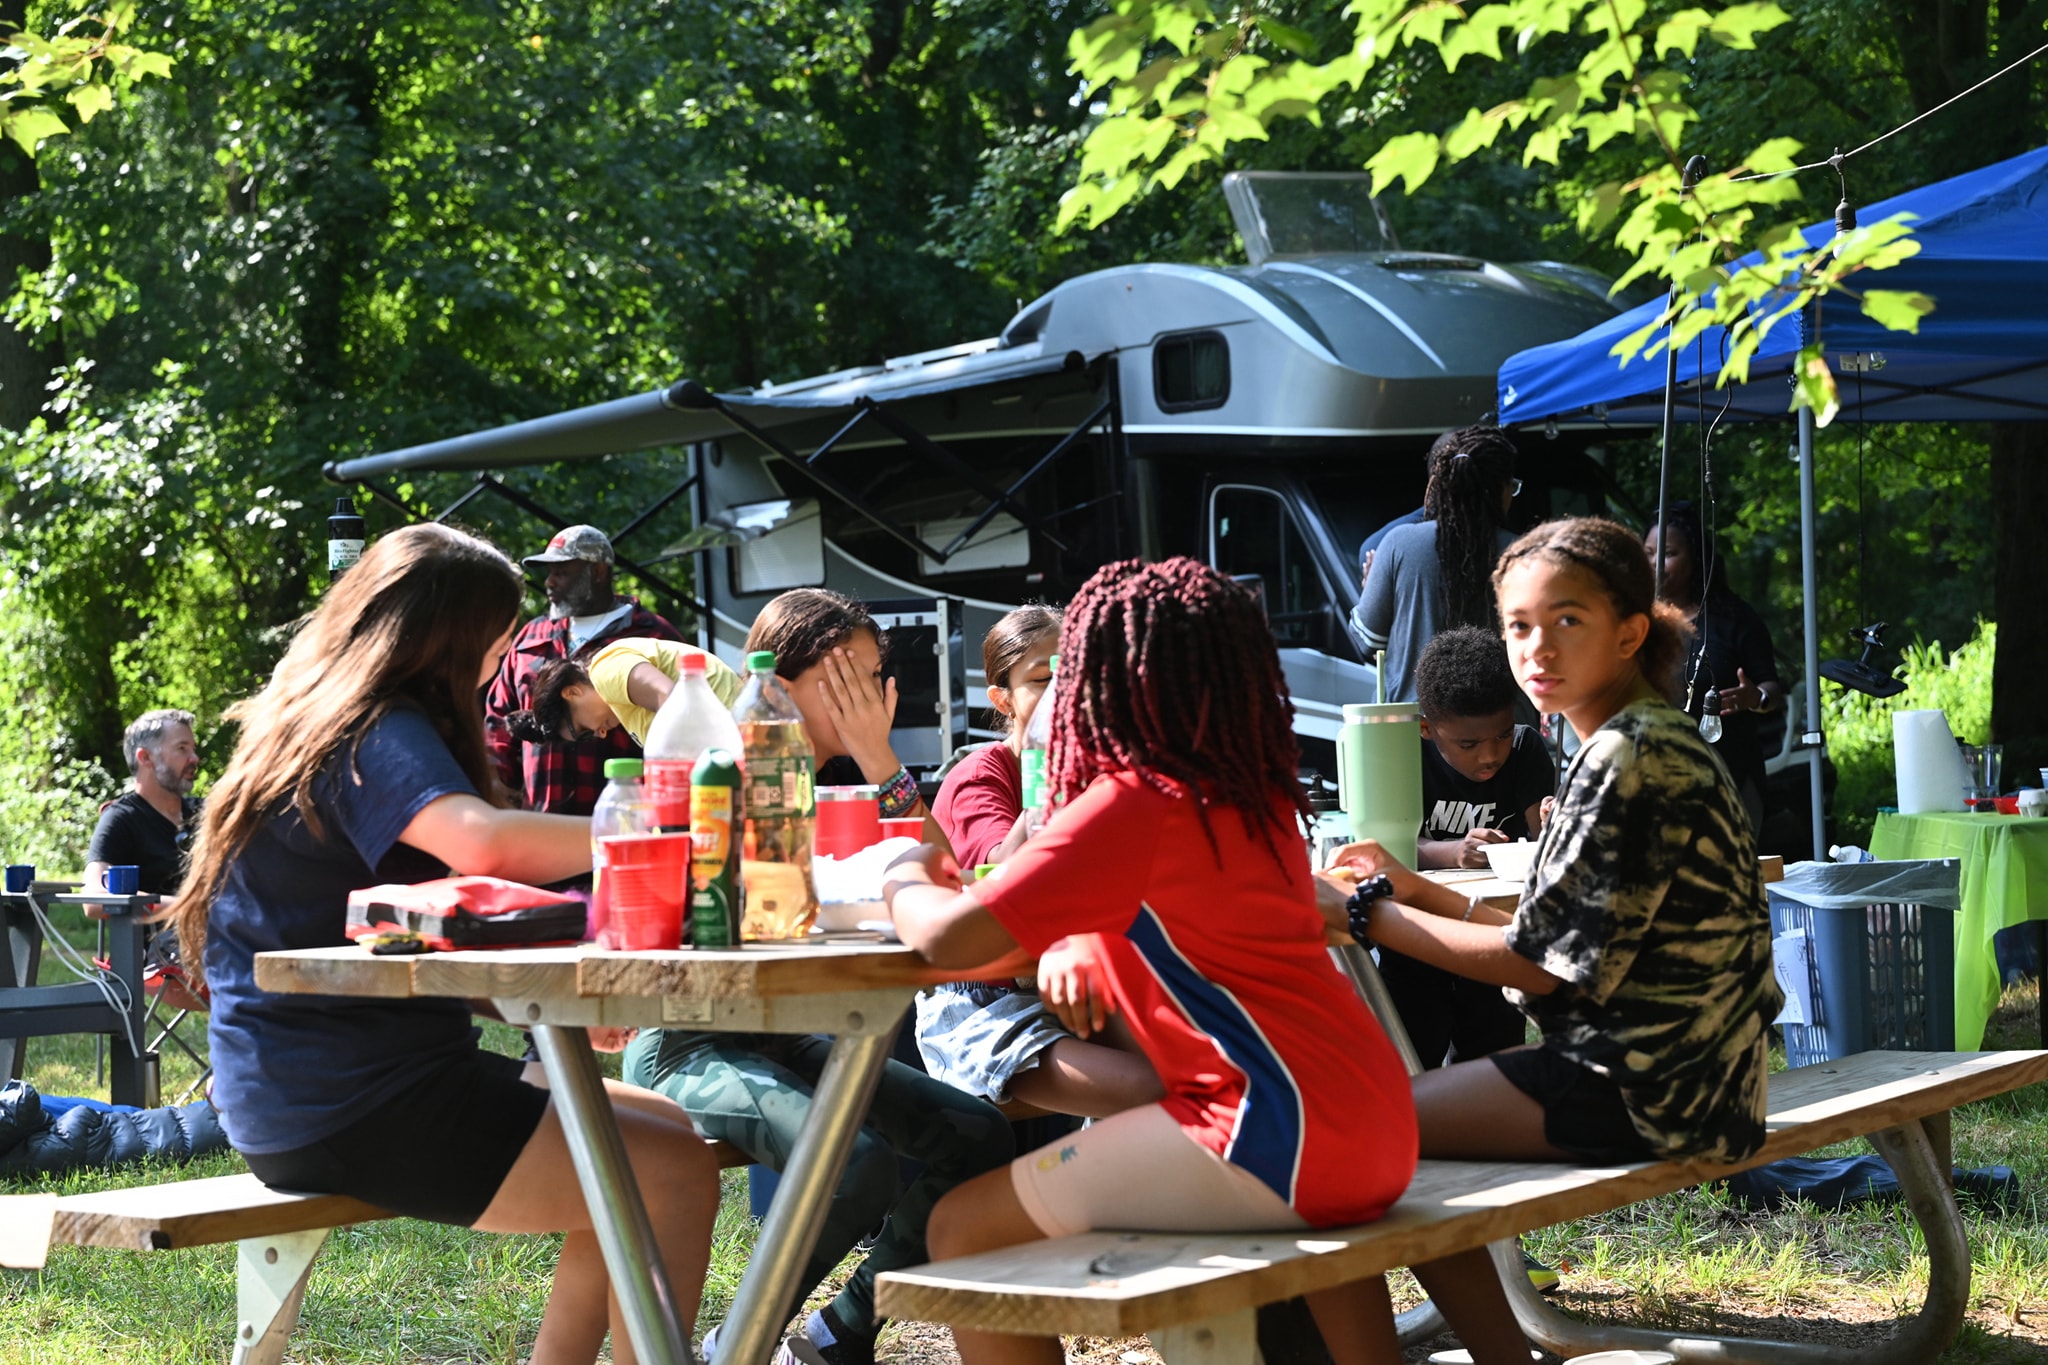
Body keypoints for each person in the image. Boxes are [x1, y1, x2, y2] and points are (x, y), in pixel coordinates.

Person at [884, 557, 1532, 1365]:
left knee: (960, 1228)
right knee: (1319, 1227)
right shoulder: (1249, 799)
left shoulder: (1126, 802)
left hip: (1274, 1132)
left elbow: (944, 940)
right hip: (1376, 1117)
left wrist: (901, 867)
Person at [171, 523, 719, 1365]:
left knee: (660, 1131)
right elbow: (484, 846)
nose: (500, 668)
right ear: (447, 641)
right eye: (497, 644)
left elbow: (443, 913)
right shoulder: (374, 727)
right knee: (672, 1171)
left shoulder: (317, 715)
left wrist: (555, 1010)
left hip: (305, 1087)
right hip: (349, 1099)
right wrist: (653, 826)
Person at [620, 591, 1009, 1365]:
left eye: (877, 676)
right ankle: (737, 1349)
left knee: (976, 1135)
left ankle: (839, 1333)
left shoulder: (828, 779)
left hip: (779, 1034)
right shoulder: (723, 762)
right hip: (684, 1044)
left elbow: (946, 881)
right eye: (855, 676)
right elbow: (606, 665)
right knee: (852, 1165)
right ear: (792, 677)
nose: (875, 694)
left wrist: (882, 760)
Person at [1331, 516, 1781, 1169]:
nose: (1537, 648)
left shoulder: (1626, 755)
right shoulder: (1643, 734)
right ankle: (1503, 1277)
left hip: (1653, 1089)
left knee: (1345, 1124)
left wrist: (1360, 910)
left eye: (1567, 621)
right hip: (1696, 1078)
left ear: (1630, 632)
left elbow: (1535, 965)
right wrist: (1413, 886)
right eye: (1519, 625)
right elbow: (1552, 942)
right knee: (1367, 1118)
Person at [920, 604, 1164, 1117]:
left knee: (1207, 1062)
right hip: (985, 1004)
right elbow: (1002, 884)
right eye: (1041, 679)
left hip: (1082, 979)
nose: (1062, 694)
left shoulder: (1104, 767)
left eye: (1072, 674)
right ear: (1001, 700)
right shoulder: (980, 775)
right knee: (1157, 1088)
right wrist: (1044, 795)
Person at [1378, 626, 1554, 1073]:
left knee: (1494, 1066)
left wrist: (1555, 824)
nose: (1489, 756)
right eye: (1468, 744)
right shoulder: (1403, 756)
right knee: (1410, 1064)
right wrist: (1451, 851)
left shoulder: (1525, 748)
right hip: (1417, 939)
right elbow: (1386, 848)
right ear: (1425, 728)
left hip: (1493, 940)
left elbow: (1540, 837)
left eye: (1499, 735)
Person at [483, 524, 684, 817]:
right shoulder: (531, 637)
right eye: (549, 573)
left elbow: (685, 721)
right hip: (539, 828)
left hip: (628, 822)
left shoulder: (651, 635)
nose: (550, 582)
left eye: (562, 572)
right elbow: (498, 722)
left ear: (598, 572)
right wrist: (496, 793)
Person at [1350, 425, 1520, 702]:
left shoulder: (1398, 543)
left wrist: (1372, 591)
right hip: (1504, 729)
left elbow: (1367, 642)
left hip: (1410, 730)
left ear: (1435, 486)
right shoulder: (1522, 554)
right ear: (1502, 489)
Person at [1646, 500, 1784, 834]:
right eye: (1649, 553)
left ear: (1696, 558)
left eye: (1668, 554)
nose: (1655, 563)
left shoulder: (1734, 618)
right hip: (1656, 777)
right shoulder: (1636, 623)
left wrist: (1755, 699)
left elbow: (1771, 688)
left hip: (1729, 775)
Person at [86, 709, 203, 897]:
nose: (194, 758)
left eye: (193, 749)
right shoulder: (121, 819)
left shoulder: (204, 812)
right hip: (159, 926)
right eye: (182, 748)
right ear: (145, 758)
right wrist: (186, 909)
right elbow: (94, 897)